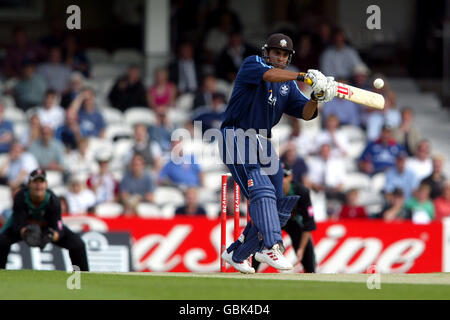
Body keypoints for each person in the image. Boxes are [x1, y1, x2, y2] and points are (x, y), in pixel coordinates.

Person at [218, 33, 336, 273]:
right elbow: (269, 75)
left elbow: (305, 112)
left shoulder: (288, 85)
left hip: (263, 141)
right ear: (267, 52)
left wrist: (316, 97)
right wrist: (304, 76)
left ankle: (237, 253)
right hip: (236, 134)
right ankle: (272, 245)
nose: (280, 58)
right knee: (260, 189)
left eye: (284, 55)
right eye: (276, 53)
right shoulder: (253, 63)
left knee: (279, 199)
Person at [0, 169, 89, 271]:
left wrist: (51, 236)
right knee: (1, 241)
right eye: (35, 182)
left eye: (41, 182)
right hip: (26, 228)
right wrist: (25, 232)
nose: (39, 185)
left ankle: (82, 276)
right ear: (29, 184)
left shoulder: (53, 200)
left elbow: (58, 227)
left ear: (46, 185)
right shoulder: (21, 197)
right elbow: (16, 224)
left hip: (47, 229)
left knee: (78, 245)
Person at [252, 163, 317, 273]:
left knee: (307, 251)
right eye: (278, 176)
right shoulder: (266, 190)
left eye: (284, 176)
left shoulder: (302, 192)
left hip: (293, 222)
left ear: (290, 177)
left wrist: (301, 250)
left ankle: (312, 273)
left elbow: (308, 223)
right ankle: (251, 270)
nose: (281, 180)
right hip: (271, 221)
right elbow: (257, 215)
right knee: (256, 240)